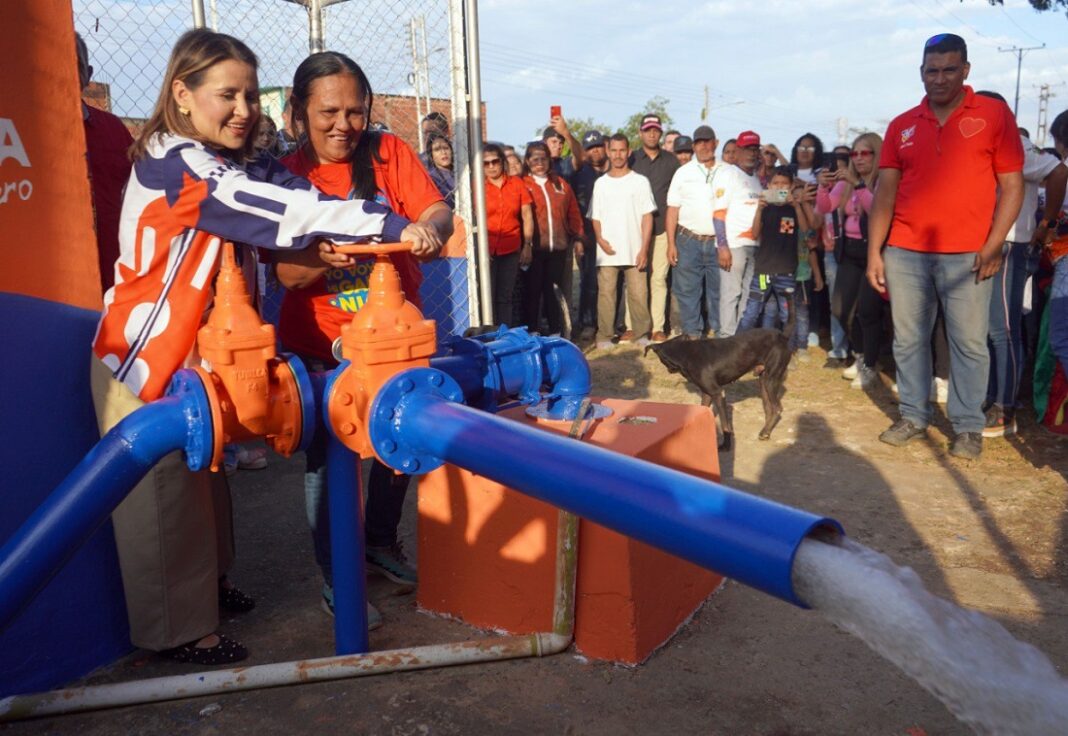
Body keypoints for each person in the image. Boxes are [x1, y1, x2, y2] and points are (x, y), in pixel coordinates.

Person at [91, 29, 420, 664]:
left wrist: (346, 222)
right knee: (162, 497)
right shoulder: (176, 161)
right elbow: (270, 209)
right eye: (227, 95)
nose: (243, 109)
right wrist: (384, 222)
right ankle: (178, 632)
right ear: (182, 94)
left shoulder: (229, 158)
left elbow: (304, 196)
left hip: (197, 359)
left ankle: (209, 588)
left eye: (249, 95)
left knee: (204, 482)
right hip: (143, 358)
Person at [273, 51, 451, 626]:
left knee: (401, 438)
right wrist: (323, 257)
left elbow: (437, 211)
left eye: (355, 112)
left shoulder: (388, 153)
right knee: (330, 457)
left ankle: (378, 542)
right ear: (300, 111)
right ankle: (338, 573)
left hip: (396, 341)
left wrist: (429, 230)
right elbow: (287, 275)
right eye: (328, 112)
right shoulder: (286, 176)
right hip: (323, 347)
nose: (343, 126)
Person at [867, 33, 1024, 460]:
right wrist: (875, 252)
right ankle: (913, 416)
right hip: (905, 251)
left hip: (970, 254)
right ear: (921, 72)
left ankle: (968, 426)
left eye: (949, 69)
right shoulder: (902, 125)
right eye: (931, 71)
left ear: (966, 70)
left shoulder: (993, 115)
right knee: (908, 340)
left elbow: (1012, 187)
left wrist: (993, 245)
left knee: (969, 343)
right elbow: (885, 194)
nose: (939, 79)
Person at [976, 91, 1067, 437]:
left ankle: (1005, 408)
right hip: (986, 245)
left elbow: (1058, 171)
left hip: (1010, 245)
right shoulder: (986, 142)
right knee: (989, 330)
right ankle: (991, 398)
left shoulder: (1015, 143)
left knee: (1003, 329)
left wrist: (1047, 222)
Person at [817, 133, 882, 388]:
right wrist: (823, 186)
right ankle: (861, 355)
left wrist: (859, 185)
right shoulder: (845, 183)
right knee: (841, 309)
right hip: (849, 251)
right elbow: (825, 207)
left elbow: (877, 210)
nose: (858, 158)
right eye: (855, 153)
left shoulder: (881, 181)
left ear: (877, 154)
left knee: (867, 311)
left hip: (873, 251)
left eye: (865, 153)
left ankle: (870, 364)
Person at [76, 33, 134, 294]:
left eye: (73, 63)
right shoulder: (17, 133)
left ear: (87, 74)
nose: (63, 70)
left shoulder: (113, 129)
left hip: (113, 279)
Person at [590, 134, 655, 349]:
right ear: (608, 152)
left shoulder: (640, 181)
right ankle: (605, 336)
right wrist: (600, 239)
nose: (617, 155)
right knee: (606, 295)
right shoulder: (601, 184)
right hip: (607, 250)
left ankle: (641, 334)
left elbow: (647, 216)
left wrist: (644, 248)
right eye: (614, 150)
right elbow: (596, 216)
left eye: (621, 150)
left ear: (628, 152)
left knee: (638, 294)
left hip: (635, 249)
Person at [739, 168, 815, 331]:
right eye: (775, 183)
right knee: (751, 312)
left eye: (784, 184)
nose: (779, 187)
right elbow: (754, 234)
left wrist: (797, 206)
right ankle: (736, 344)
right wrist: (759, 209)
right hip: (763, 272)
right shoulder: (765, 207)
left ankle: (788, 346)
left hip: (786, 272)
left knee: (787, 316)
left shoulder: (794, 208)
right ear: (769, 185)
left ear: (791, 186)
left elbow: (805, 231)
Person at [522, 141, 584, 336]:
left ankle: (556, 332)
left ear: (549, 160)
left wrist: (578, 237)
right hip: (534, 249)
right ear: (527, 161)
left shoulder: (561, 184)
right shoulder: (523, 184)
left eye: (543, 159)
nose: (540, 163)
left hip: (558, 247)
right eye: (535, 159)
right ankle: (533, 332)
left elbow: (573, 212)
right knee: (533, 292)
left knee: (553, 291)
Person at [666, 125, 722, 340]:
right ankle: (692, 336)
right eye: (699, 142)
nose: (704, 146)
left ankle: (720, 335)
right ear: (694, 146)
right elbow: (673, 209)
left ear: (715, 143)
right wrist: (671, 243)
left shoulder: (727, 171)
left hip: (718, 241)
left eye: (708, 141)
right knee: (687, 291)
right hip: (688, 239)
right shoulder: (683, 173)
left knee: (718, 291)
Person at [630, 113, 680, 341]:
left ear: (660, 133)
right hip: (635, 229)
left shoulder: (671, 161)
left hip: (662, 228)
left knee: (658, 279)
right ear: (640, 132)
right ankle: (632, 325)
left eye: (655, 130)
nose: (652, 134)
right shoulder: (631, 159)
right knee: (635, 280)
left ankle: (657, 327)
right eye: (647, 130)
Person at [713, 130, 764, 337]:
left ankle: (741, 338)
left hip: (754, 244)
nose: (751, 153)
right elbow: (718, 213)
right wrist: (722, 246)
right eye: (747, 149)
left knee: (748, 295)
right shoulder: (728, 174)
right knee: (731, 293)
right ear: (738, 151)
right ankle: (726, 338)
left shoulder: (756, 179)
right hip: (733, 245)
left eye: (755, 149)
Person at [483, 142, 534, 324]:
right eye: (486, 163)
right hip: (485, 250)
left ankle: (505, 333)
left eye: (495, 161)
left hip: (510, 248)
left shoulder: (516, 184)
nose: (491, 166)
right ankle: (488, 333)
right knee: (486, 296)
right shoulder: (477, 187)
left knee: (505, 296)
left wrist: (527, 245)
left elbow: (527, 216)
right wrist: (479, 249)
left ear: (502, 162)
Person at [569, 130, 610, 338]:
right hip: (587, 235)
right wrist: (578, 237)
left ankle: (609, 323)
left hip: (613, 232)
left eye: (599, 146)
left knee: (612, 281)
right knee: (589, 280)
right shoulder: (579, 172)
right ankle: (587, 323)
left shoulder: (615, 170)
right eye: (590, 148)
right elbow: (573, 207)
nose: (595, 151)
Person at [425, 132, 456, 208]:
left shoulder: (461, 172)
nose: (443, 152)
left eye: (446, 148)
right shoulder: (431, 179)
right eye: (437, 149)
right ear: (431, 155)